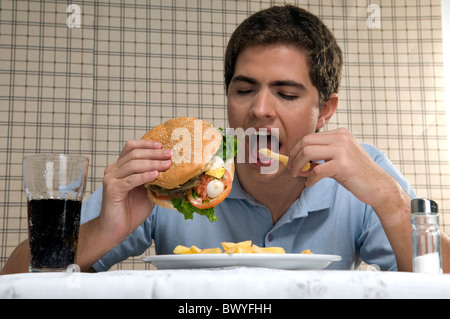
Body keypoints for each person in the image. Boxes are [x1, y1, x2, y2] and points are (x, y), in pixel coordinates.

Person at [2, 5, 449, 274]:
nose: (259, 109)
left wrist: (391, 203)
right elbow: (16, 279)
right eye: (244, 89)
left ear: (325, 110)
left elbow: (440, 283)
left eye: (287, 93)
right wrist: (106, 230)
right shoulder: (174, 171)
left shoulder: (360, 170)